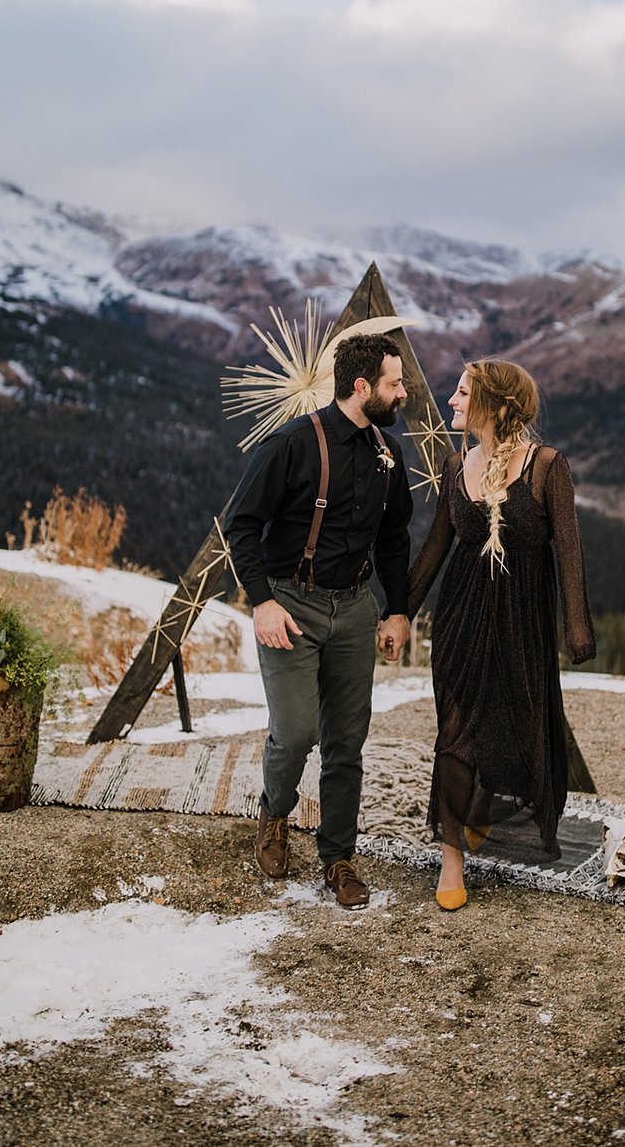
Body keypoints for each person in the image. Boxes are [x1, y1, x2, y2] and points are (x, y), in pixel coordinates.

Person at [224, 333, 413, 908]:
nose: (403, 393)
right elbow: (241, 525)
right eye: (394, 384)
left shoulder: (388, 452)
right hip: (291, 604)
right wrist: (261, 601)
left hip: (356, 609)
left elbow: (395, 538)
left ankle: (338, 858)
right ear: (362, 387)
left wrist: (399, 608)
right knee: (299, 730)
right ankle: (275, 815)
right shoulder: (292, 444)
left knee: (347, 740)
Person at [406, 358, 596, 910]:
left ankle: (481, 811)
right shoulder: (456, 464)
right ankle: (451, 857)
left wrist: (576, 628)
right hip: (461, 619)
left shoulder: (546, 467)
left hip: (523, 622)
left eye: (462, 392)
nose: (451, 400)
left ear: (493, 404)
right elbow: (436, 548)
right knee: (456, 729)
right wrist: (397, 612)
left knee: (514, 725)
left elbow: (570, 551)